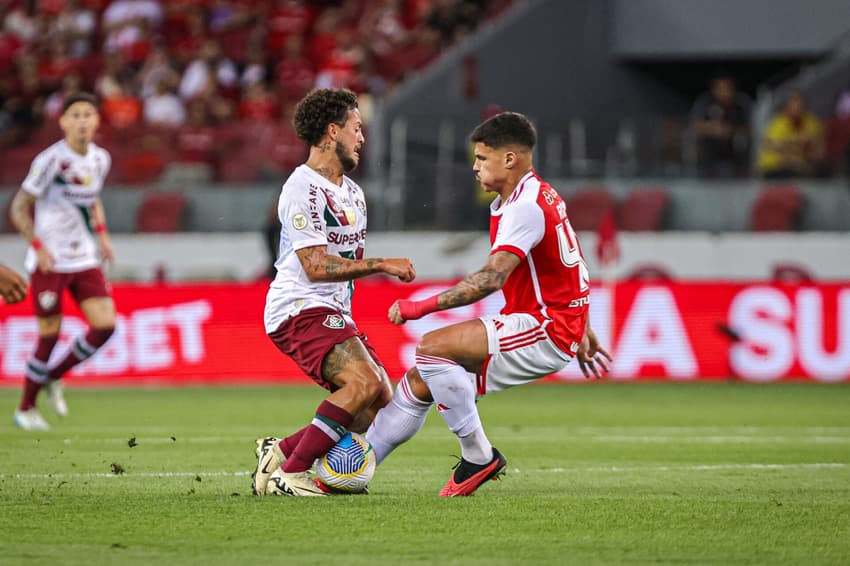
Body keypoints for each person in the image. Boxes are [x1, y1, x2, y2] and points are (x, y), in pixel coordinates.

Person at [364, 111, 612, 496]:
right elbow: (572, 263)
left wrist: (420, 307)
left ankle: (479, 457)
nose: (475, 168)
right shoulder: (535, 194)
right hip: (552, 321)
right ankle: (358, 468)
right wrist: (584, 324)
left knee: (431, 350)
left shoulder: (524, 207)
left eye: (481, 158)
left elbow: (491, 278)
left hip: (546, 328)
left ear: (509, 158)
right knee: (421, 380)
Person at [251, 88, 416, 497]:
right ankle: (290, 475)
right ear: (331, 131)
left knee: (376, 401)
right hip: (298, 306)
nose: (362, 138)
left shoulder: (353, 192)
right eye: (356, 129)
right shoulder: (302, 188)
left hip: (332, 308)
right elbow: (315, 265)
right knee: (361, 382)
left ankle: (281, 451)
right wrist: (380, 264)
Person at [10, 92, 116, 432]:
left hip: (83, 256)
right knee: (49, 334)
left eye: (88, 114)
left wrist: (101, 234)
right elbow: (18, 206)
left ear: (97, 121)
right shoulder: (50, 161)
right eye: (76, 115)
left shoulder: (100, 159)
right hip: (51, 261)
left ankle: (53, 376)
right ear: (63, 122)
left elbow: (92, 196)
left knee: (105, 326)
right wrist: (38, 246)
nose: (83, 121)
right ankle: (25, 408)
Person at [689, 76, 751, 177]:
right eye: (720, 89)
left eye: (727, 89)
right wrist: (712, 129)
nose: (723, 92)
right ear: (714, 90)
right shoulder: (705, 102)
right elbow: (694, 125)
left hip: (735, 160)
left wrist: (729, 130)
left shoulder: (740, 105)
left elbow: (749, 128)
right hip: (707, 159)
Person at [758, 92, 826, 178]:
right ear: (786, 107)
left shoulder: (811, 121)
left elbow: (819, 149)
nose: (797, 106)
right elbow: (776, 148)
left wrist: (795, 148)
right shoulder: (778, 123)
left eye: (800, 102)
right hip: (774, 168)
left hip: (803, 167)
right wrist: (800, 149)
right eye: (794, 102)